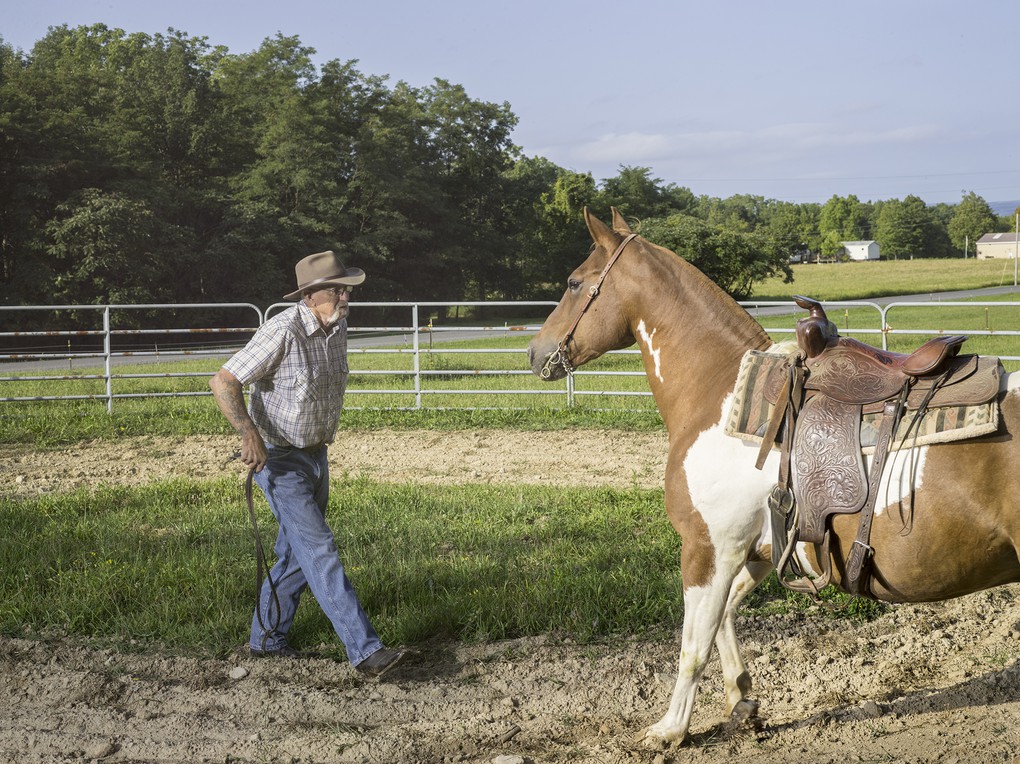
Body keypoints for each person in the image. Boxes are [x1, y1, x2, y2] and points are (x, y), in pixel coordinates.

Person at [209, 250, 407, 678]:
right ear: (311, 294)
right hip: (280, 462)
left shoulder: (335, 326)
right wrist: (248, 433)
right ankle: (366, 652)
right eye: (338, 289)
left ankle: (265, 639)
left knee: (295, 555)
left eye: (346, 289)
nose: (345, 296)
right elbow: (223, 381)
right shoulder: (281, 331)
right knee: (320, 551)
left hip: (317, 455)